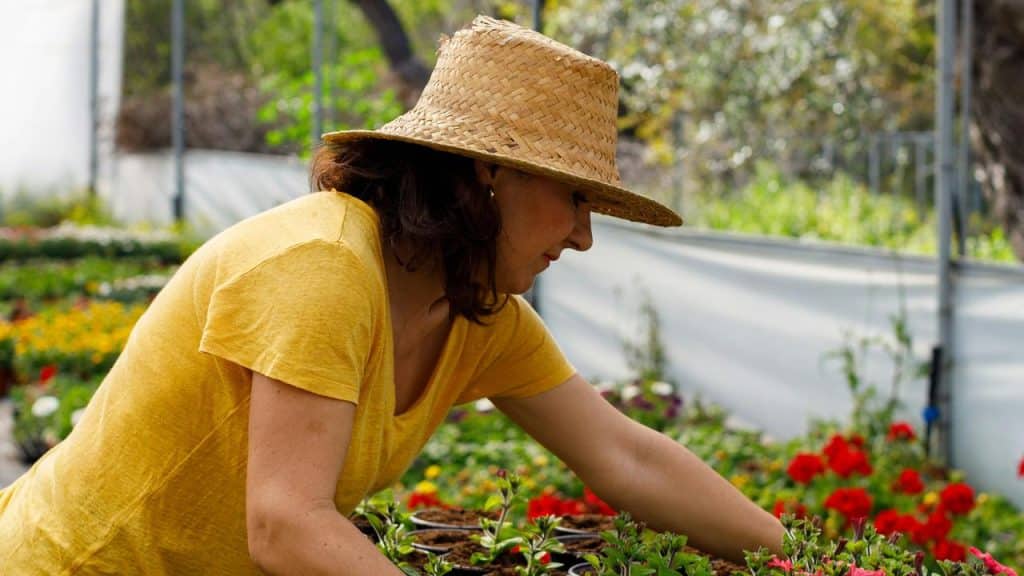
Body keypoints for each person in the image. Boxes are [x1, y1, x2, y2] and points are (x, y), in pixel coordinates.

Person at [0, 15, 782, 574]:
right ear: (489, 171)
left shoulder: (479, 314)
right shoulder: (322, 265)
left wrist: (801, 561)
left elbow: (626, 455)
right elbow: (286, 525)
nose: (583, 237)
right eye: (575, 198)